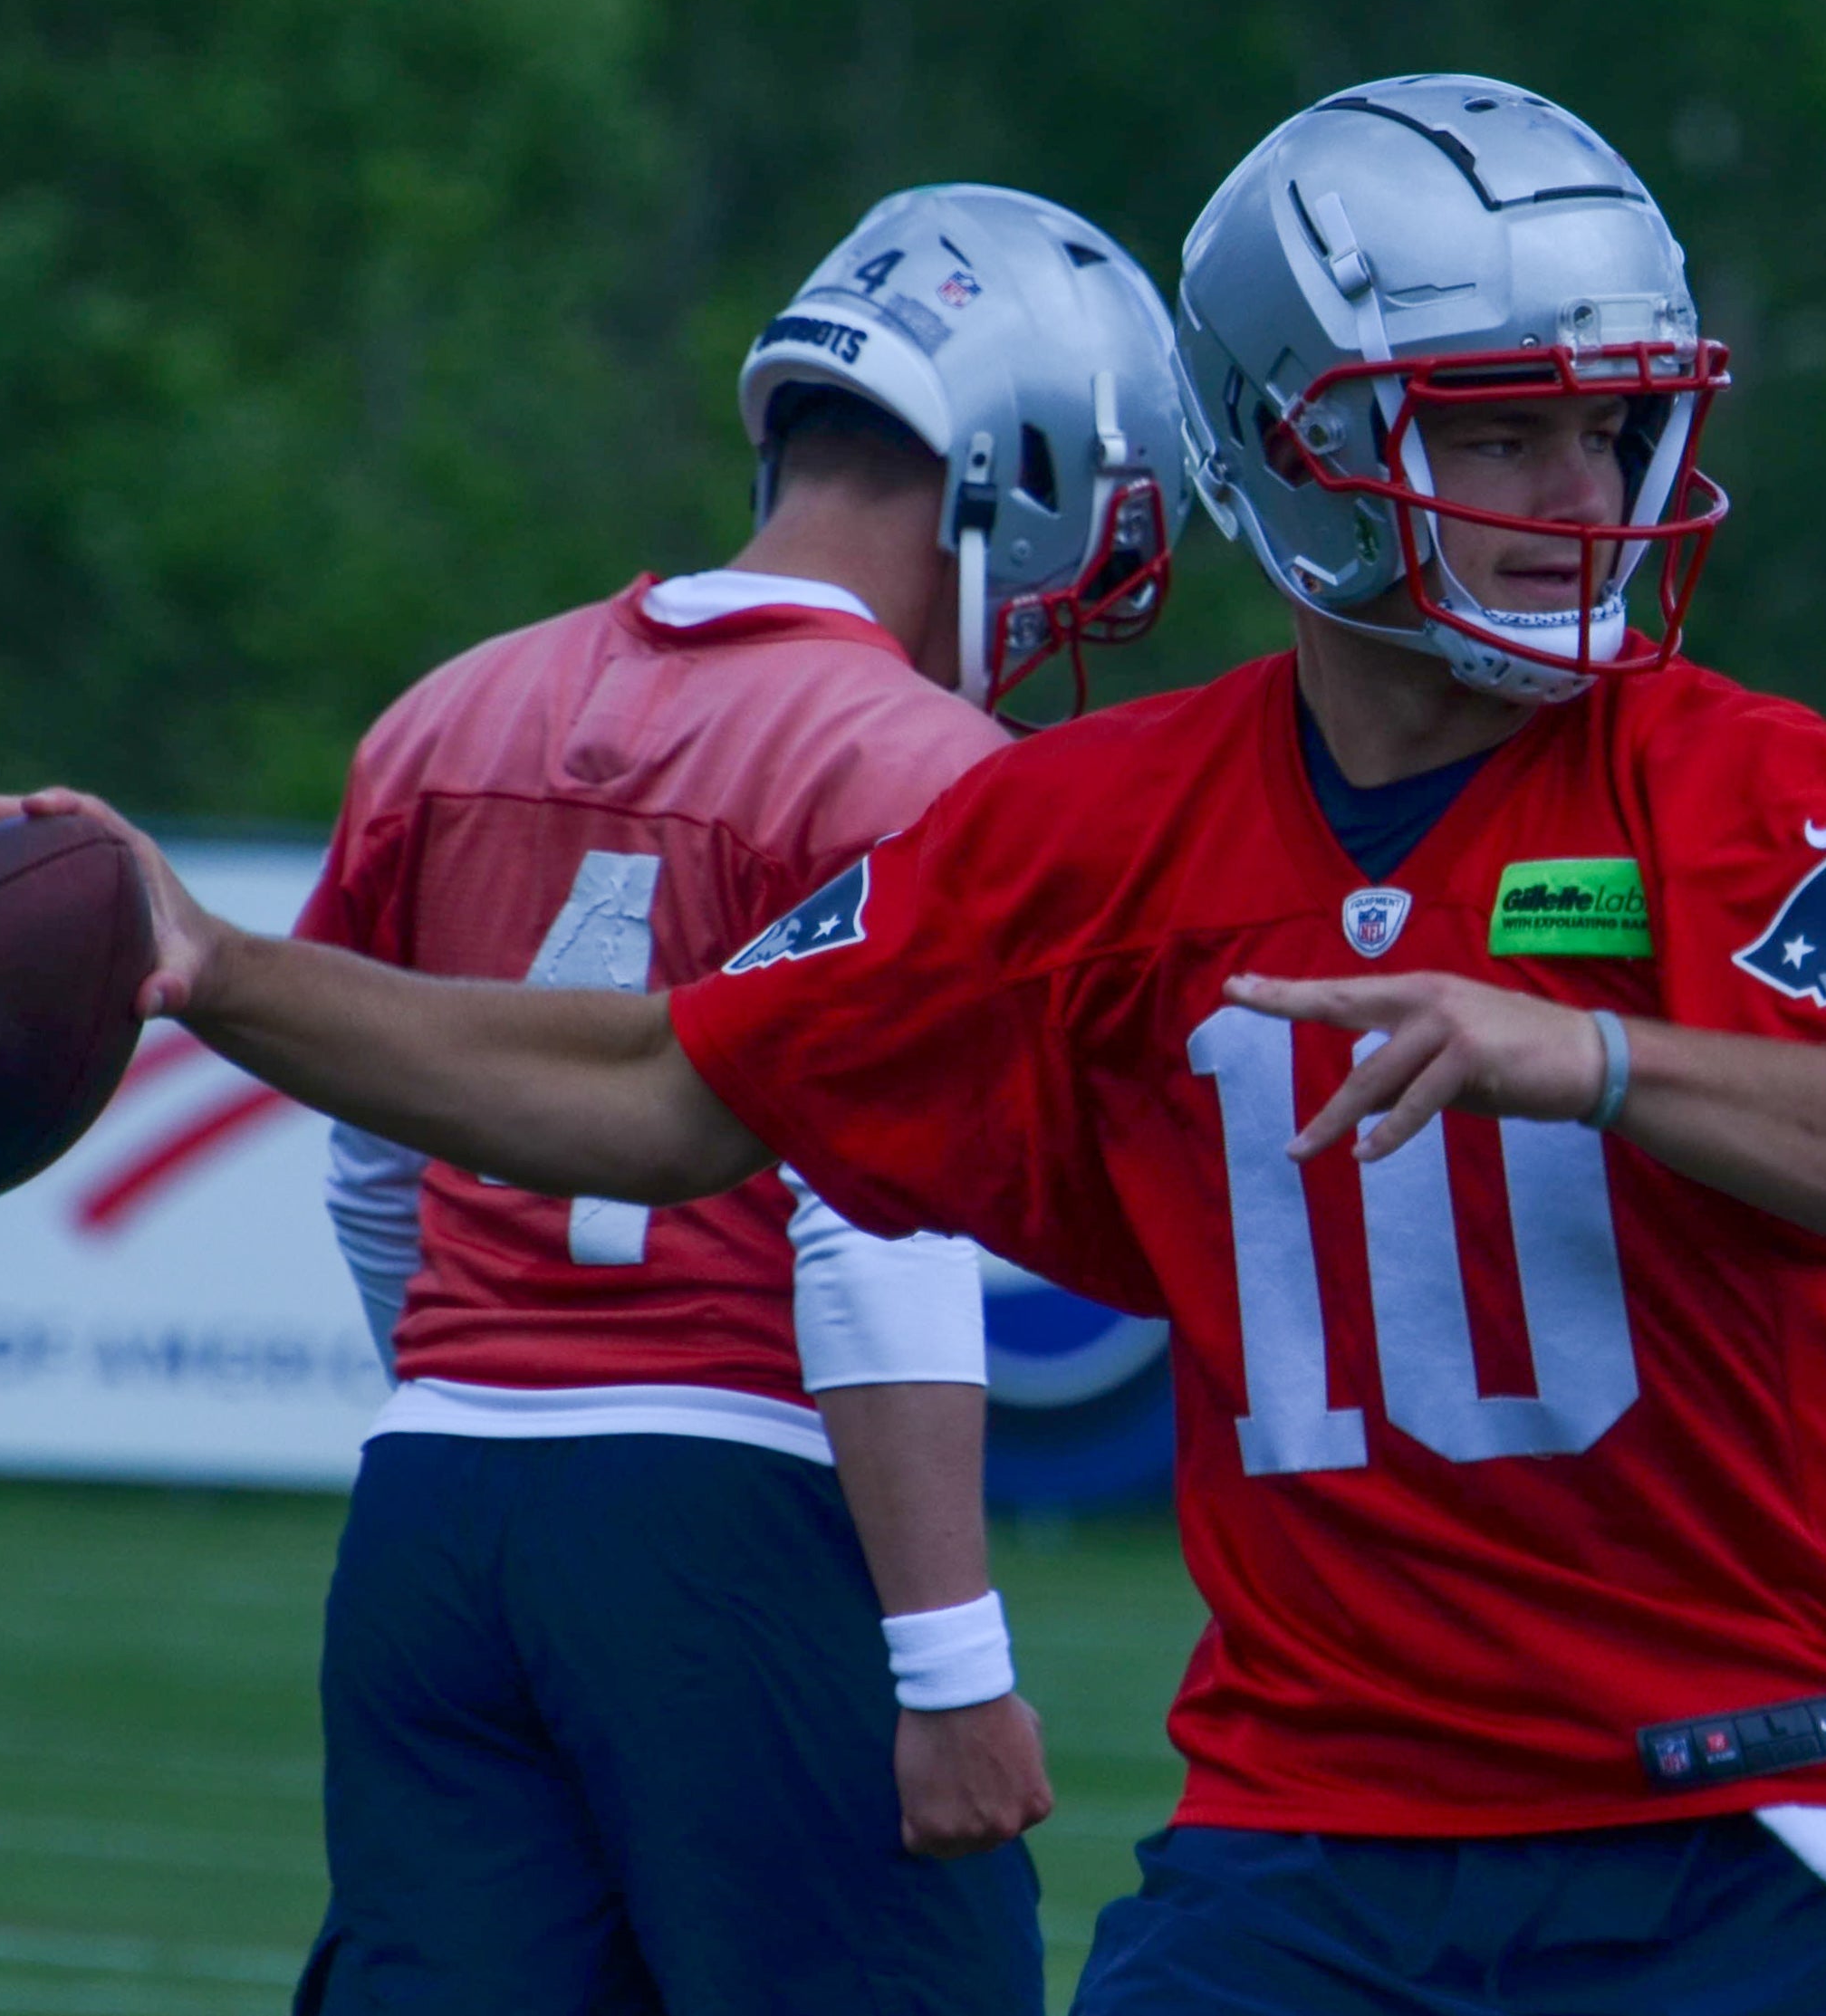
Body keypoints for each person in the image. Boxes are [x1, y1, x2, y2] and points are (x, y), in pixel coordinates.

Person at [0, 78, 1826, 2016]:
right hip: (1309, 1839)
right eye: (1502, 428)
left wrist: (1599, 1063)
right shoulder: (1083, 825)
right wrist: (210, 966)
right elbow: (661, 1087)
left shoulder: (1741, 784)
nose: (1579, 487)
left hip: (1742, 1820)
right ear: (1307, 437)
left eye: (1608, 423)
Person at [288, 183, 1193, 2014]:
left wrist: (475, 1397)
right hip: (745, 1516)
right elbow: (878, 1223)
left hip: (433, 1518)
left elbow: (370, 1151)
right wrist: (948, 1664)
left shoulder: (450, 710)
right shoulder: (923, 765)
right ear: (1013, 472)